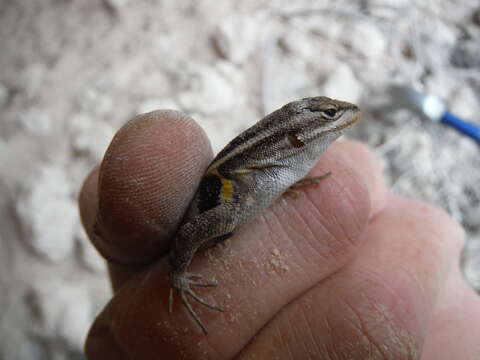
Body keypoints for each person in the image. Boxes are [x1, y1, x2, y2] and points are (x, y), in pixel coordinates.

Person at [79, 110, 480, 359]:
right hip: (171, 242)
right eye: (326, 116)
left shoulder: (276, 174)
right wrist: (179, 275)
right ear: (294, 138)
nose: (342, 117)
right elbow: (195, 229)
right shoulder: (241, 197)